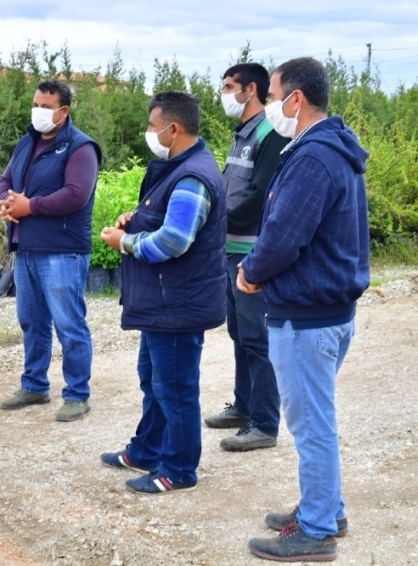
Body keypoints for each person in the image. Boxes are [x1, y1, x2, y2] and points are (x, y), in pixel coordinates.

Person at [240, 57, 369, 562]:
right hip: (329, 310)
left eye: (272, 95)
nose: (270, 106)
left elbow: (283, 237)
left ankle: (316, 530)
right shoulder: (332, 149)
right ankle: (326, 507)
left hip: (306, 316)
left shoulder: (313, 158)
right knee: (318, 418)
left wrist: (250, 272)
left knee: (312, 424)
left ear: (295, 98)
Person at [98, 91, 226, 493]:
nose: (149, 133)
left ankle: (179, 470)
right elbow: (166, 218)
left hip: (178, 304)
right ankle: (146, 449)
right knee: (153, 379)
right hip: (164, 302)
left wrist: (125, 242)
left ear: (173, 128)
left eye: (153, 126)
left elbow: (174, 241)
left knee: (174, 387)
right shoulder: (177, 168)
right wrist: (137, 219)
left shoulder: (192, 176)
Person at [0, 80, 101, 422]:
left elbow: (76, 194)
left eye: (45, 105)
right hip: (26, 248)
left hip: (62, 250)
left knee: (69, 324)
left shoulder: (80, 147)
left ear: (63, 111)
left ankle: (77, 394)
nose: (38, 110)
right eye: (36, 104)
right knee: (32, 321)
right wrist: (9, 202)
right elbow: (6, 179)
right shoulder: (27, 142)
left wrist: (30, 206)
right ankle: (35, 385)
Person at [204, 63, 290, 451]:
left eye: (228, 87)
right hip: (230, 247)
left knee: (257, 339)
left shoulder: (270, 134)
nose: (224, 94)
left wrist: (214, 220)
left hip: (250, 252)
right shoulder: (244, 134)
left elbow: (260, 197)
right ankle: (243, 405)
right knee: (240, 334)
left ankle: (265, 423)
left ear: (250, 89)